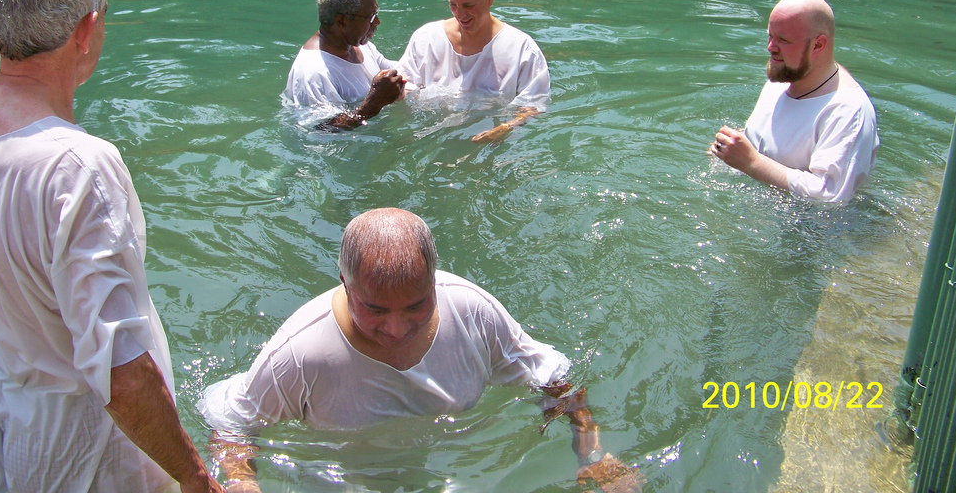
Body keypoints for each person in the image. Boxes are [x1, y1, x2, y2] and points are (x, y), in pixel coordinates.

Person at [0, 0, 223, 493]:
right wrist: (196, 480)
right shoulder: (76, 165)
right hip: (77, 449)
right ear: (86, 29)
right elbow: (119, 367)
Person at [199, 208, 639, 493]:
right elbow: (232, 426)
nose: (396, 329)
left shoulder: (471, 310)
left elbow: (554, 382)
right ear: (344, 282)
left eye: (416, 306)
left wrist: (594, 455)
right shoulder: (300, 353)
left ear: (434, 281)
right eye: (374, 309)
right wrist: (242, 484)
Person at [711, 0, 879, 202]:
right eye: (770, 35)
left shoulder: (847, 111)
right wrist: (729, 148)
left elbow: (830, 196)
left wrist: (751, 162)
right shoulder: (783, 77)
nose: (770, 48)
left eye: (783, 40)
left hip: (811, 231)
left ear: (818, 44)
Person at [398, 0, 550, 143]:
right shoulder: (425, 39)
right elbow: (406, 90)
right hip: (433, 138)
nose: (460, 15)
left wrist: (505, 128)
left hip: (490, 142)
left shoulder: (522, 49)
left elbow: (534, 105)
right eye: (453, 4)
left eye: (469, 6)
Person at [284, 0, 406, 130]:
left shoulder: (362, 46)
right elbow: (323, 131)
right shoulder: (314, 73)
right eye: (369, 17)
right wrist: (374, 104)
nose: (377, 22)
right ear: (342, 21)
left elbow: (400, 71)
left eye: (376, 13)